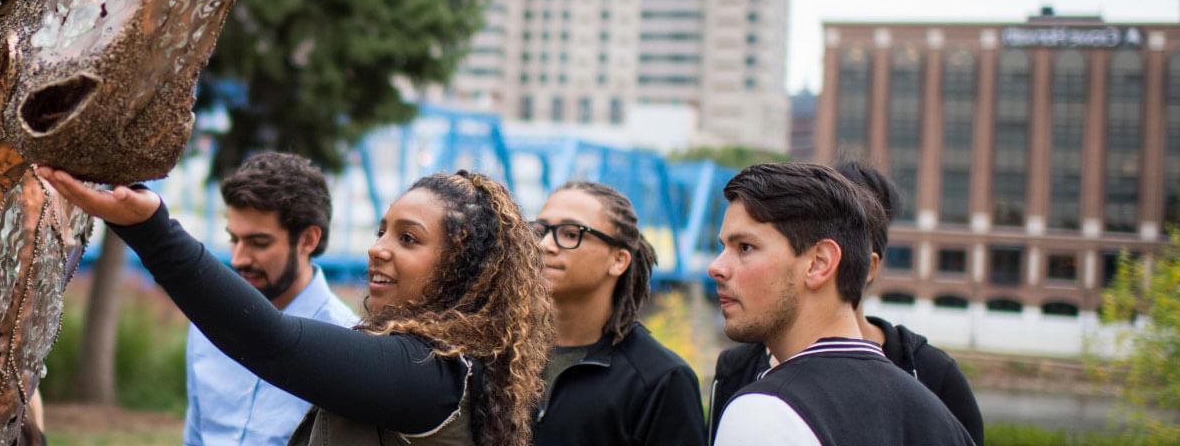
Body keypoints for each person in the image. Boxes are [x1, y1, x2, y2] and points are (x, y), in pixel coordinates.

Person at [37, 166, 553, 445]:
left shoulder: (430, 374)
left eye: (409, 239)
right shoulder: (429, 363)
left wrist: (149, 227)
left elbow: (273, 342)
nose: (378, 248)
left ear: (463, 265)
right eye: (381, 230)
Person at [707, 162, 983, 444]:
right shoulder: (939, 419)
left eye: (745, 247)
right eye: (723, 248)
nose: (716, 267)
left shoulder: (762, 413)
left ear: (819, 263)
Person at [184, 153, 360, 446]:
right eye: (234, 239)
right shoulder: (207, 327)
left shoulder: (350, 343)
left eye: (258, 243)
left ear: (308, 240)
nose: (238, 259)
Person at [529, 182, 704, 445]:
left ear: (618, 260)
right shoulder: (501, 357)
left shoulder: (661, 379)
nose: (544, 245)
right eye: (540, 230)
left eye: (569, 233)